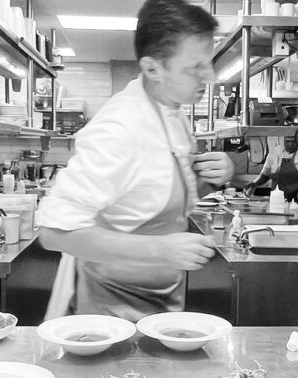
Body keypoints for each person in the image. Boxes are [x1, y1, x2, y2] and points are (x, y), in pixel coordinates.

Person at [36, 0, 234, 322]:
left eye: (209, 62)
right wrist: (161, 250)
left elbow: (149, 193)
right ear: (153, 68)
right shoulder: (119, 128)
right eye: (195, 66)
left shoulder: (173, 112)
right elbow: (54, 231)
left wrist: (212, 176)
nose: (209, 76)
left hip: (163, 299)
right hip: (109, 309)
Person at [244, 137, 298, 213]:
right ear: (282, 140)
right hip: (279, 202)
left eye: (293, 141)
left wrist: (294, 187)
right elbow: (265, 175)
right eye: (287, 141)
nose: (291, 144)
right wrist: (255, 183)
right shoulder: (274, 153)